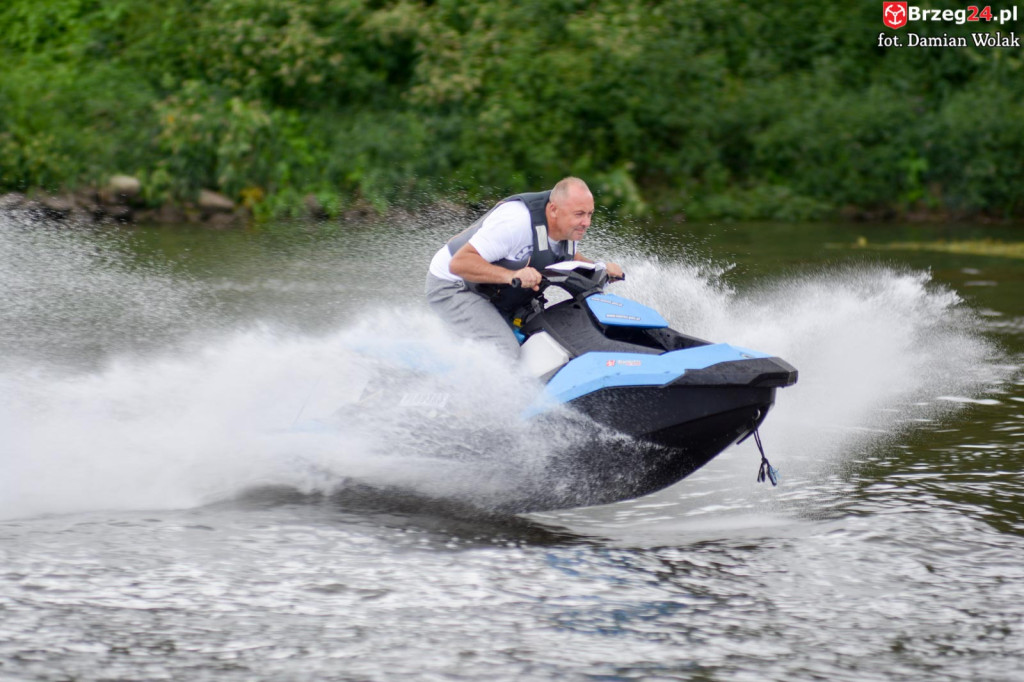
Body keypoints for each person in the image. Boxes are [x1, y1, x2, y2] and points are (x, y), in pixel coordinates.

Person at [425, 177, 624, 358]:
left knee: (549, 338)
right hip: (453, 284)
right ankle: (483, 396)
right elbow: (460, 263)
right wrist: (512, 275)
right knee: (504, 349)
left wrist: (599, 267)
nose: (586, 222)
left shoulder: (568, 227)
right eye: (580, 214)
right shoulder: (516, 222)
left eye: (590, 214)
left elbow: (565, 256)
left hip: (493, 290)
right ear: (554, 210)